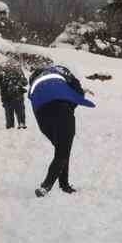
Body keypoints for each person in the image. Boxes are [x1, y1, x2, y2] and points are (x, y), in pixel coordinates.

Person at [28, 63, 95, 197]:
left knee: (61, 150)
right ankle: (46, 186)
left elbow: (32, 95)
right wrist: (72, 103)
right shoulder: (62, 70)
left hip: (41, 114)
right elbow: (77, 91)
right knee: (63, 151)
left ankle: (64, 184)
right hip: (61, 109)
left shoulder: (36, 77)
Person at [0, 60, 28, 130]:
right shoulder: (18, 70)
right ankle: (22, 124)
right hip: (18, 95)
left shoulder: (1, 71)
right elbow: (25, 82)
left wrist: (4, 82)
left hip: (6, 96)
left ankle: (10, 127)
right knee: (20, 111)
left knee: (9, 113)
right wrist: (19, 83)